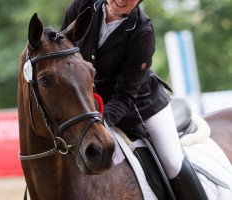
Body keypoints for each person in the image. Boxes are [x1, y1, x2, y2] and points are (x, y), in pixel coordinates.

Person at [61, 0, 208, 199]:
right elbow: (63, 52)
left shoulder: (142, 31)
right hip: (88, 106)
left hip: (140, 106)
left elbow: (125, 97)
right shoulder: (83, 6)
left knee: (173, 163)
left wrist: (97, 121)